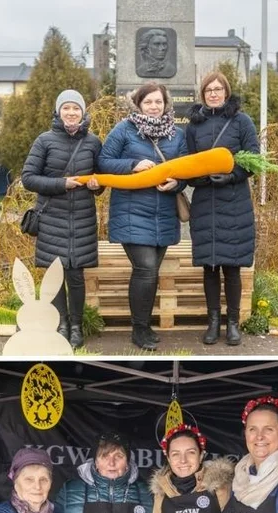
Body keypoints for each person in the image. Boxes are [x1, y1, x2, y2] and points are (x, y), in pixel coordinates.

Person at [98, 81, 187, 351]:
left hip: (164, 214)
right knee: (146, 268)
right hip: (131, 212)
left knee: (150, 271)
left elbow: (185, 170)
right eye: (148, 102)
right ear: (138, 104)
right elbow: (103, 162)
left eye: (158, 102)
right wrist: (132, 165)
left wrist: (177, 184)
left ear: (165, 104)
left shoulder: (176, 135)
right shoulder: (124, 130)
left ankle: (144, 325)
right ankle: (139, 328)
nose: (154, 106)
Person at [21, 89, 103, 348]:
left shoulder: (92, 142)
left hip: (82, 218)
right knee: (55, 276)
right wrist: (61, 184)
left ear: (83, 112)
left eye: (75, 108)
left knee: (76, 275)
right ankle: (61, 324)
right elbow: (28, 178)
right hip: (52, 217)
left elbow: (101, 179)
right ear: (58, 111)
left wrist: (96, 186)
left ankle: (77, 326)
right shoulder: (44, 140)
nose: (71, 112)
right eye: (66, 108)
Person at [186, 71, 260, 347]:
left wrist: (232, 176)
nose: (213, 94)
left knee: (232, 267)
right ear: (203, 94)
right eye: (208, 90)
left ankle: (232, 323)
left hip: (234, 201)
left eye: (218, 89)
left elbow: (253, 159)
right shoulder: (194, 126)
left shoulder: (242, 122)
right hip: (205, 203)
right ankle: (213, 322)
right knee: (209, 267)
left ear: (226, 92)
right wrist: (199, 179)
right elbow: (188, 162)